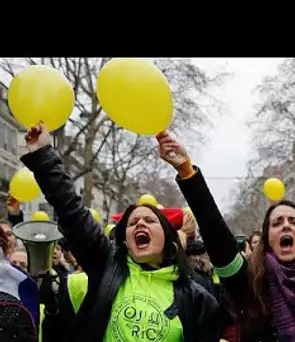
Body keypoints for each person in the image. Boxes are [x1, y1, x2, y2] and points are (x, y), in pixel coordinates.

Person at [20, 123, 220, 342]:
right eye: (133, 223)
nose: (140, 224)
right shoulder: (107, 266)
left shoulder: (197, 299)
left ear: (168, 239)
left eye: (150, 220)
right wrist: (43, 156)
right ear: (125, 241)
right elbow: (72, 211)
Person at [156, 131, 295, 342]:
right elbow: (218, 239)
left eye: (294, 222)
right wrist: (187, 171)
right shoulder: (249, 281)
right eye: (277, 223)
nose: (286, 226)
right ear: (267, 238)